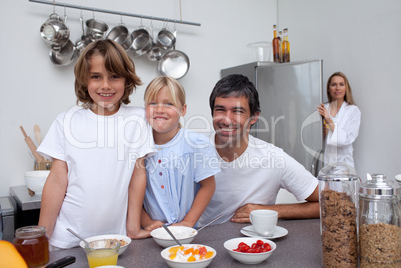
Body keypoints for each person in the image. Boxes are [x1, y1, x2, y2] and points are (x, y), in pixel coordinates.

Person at [37, 40, 155, 249]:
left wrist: (133, 227)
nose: (106, 85)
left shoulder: (137, 120)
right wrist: (42, 236)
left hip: (115, 239)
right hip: (68, 238)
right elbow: (57, 180)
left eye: (114, 76)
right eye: (96, 77)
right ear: (84, 80)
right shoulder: (67, 120)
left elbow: (137, 176)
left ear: (126, 80)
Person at [198, 74, 320, 226]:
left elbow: (331, 203)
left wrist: (272, 211)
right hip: (203, 245)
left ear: (254, 117)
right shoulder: (194, 149)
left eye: (237, 111)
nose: (226, 119)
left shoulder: (274, 158)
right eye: (220, 110)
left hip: (255, 245)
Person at [139, 76, 218, 231]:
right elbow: (131, 192)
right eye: (153, 103)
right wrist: (146, 221)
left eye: (169, 103)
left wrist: (188, 222)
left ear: (183, 110)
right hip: (151, 233)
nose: (160, 109)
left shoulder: (197, 144)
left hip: (187, 233)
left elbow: (208, 186)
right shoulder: (138, 146)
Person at [317, 72, 361, 168]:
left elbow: (347, 139)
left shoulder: (353, 111)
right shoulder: (323, 109)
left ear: (346, 88)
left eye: (341, 84)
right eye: (333, 85)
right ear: (328, 89)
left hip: (344, 166)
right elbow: (315, 138)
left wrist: (328, 120)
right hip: (325, 164)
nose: (337, 88)